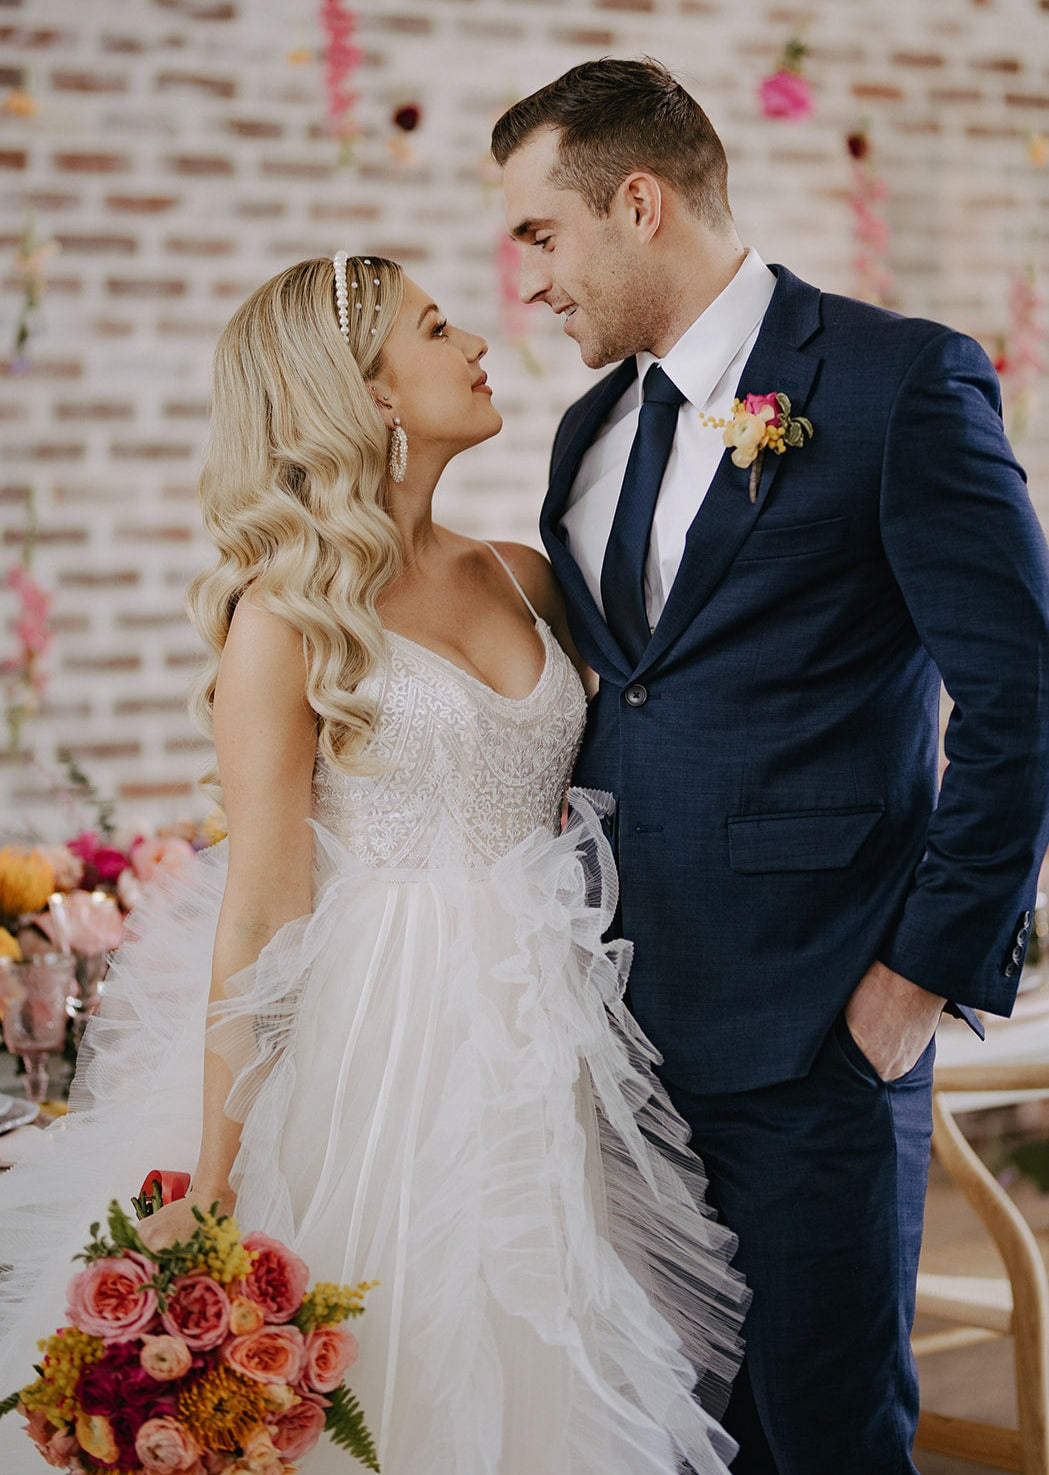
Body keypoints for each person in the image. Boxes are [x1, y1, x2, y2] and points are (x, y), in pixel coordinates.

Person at [0, 253, 748, 1474]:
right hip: (383, 1044)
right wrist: (215, 1179)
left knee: (536, 1352)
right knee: (396, 1357)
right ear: (371, 392)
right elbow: (259, 910)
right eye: (436, 327)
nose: (478, 342)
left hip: (543, 1030)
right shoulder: (284, 619)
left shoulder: (524, 572)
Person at [492, 57, 1049, 1475]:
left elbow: (1024, 697)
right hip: (616, 1039)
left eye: (540, 234)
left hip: (818, 1030)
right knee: (668, 1439)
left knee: (826, 1436)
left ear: (637, 202)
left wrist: (915, 979)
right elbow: (631, 694)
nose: (527, 281)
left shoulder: (894, 381)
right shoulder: (586, 432)